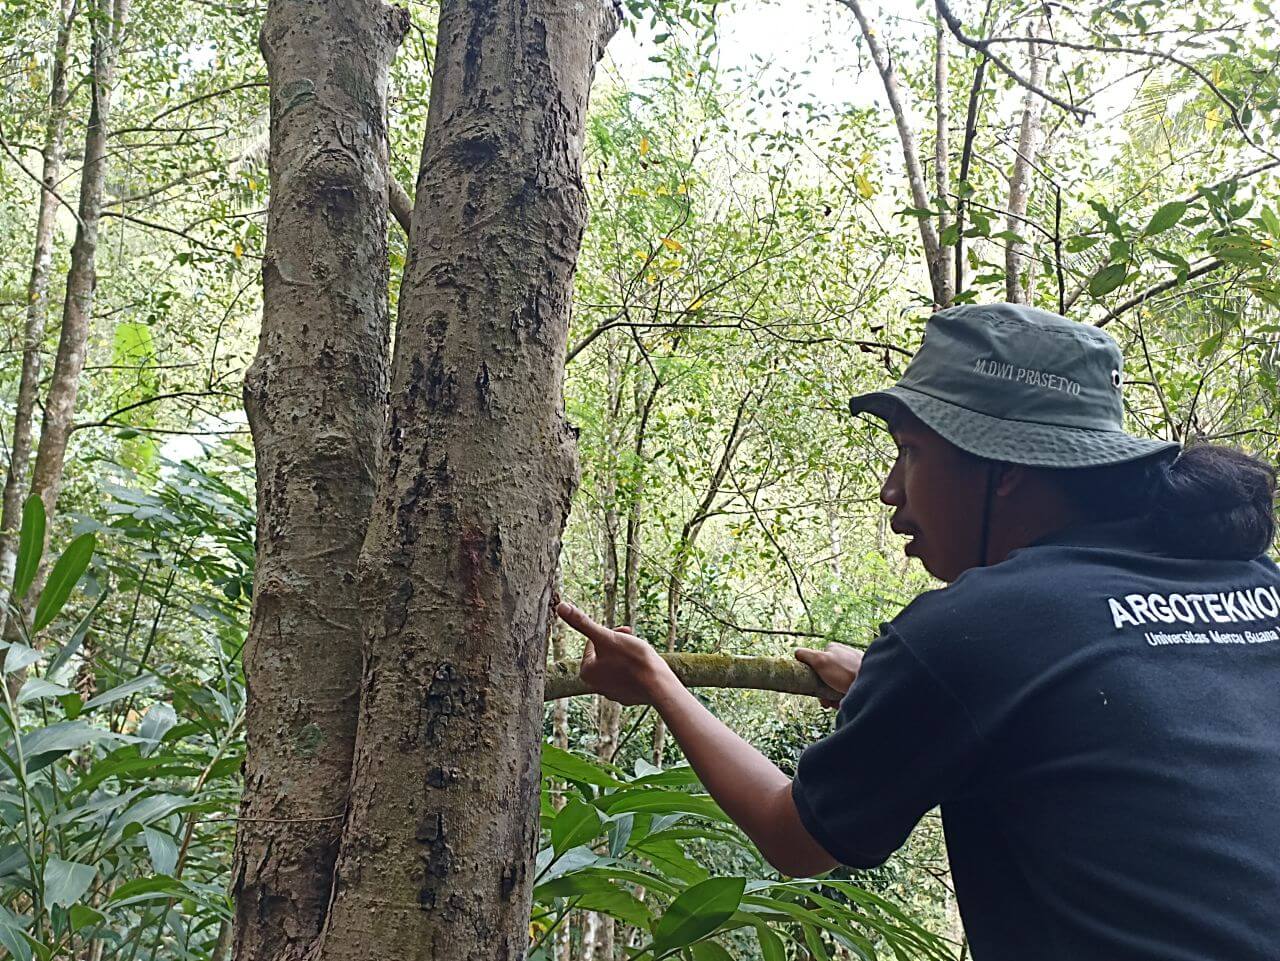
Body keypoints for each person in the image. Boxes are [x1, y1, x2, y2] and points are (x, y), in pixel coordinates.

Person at [555, 303, 1280, 961]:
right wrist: (886, 682)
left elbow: (794, 838)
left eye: (911, 450)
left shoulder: (971, 631)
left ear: (1002, 469)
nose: (891, 490)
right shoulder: (1253, 584)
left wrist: (657, 682)